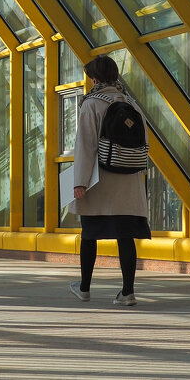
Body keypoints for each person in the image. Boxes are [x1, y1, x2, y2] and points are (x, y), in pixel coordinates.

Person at [68, 56, 150, 306]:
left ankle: (84, 288)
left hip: (100, 181)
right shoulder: (131, 103)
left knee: (89, 234)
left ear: (94, 78)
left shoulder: (91, 103)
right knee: (125, 236)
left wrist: (80, 181)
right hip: (128, 182)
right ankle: (128, 292)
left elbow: (85, 145)